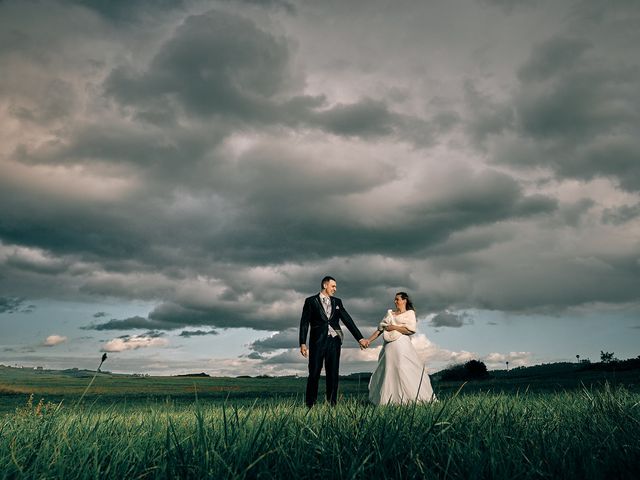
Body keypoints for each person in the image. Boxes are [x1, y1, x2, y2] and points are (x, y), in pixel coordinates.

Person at [299, 276, 369, 407]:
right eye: (333, 286)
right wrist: (303, 343)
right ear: (325, 285)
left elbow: (348, 320)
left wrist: (360, 338)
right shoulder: (310, 301)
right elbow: (304, 323)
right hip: (317, 341)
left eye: (335, 287)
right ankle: (310, 405)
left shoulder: (338, 302)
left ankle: (332, 404)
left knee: (333, 374)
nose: (335, 289)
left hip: (334, 342)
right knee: (314, 373)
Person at [366, 292, 436, 404]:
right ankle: (389, 400)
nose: (395, 301)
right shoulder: (389, 313)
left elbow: (410, 330)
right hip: (388, 346)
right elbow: (380, 329)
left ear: (404, 300)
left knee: (402, 367)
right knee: (388, 369)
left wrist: (394, 327)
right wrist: (368, 340)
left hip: (402, 345)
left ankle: (411, 399)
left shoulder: (410, 313)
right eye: (394, 299)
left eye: (397, 299)